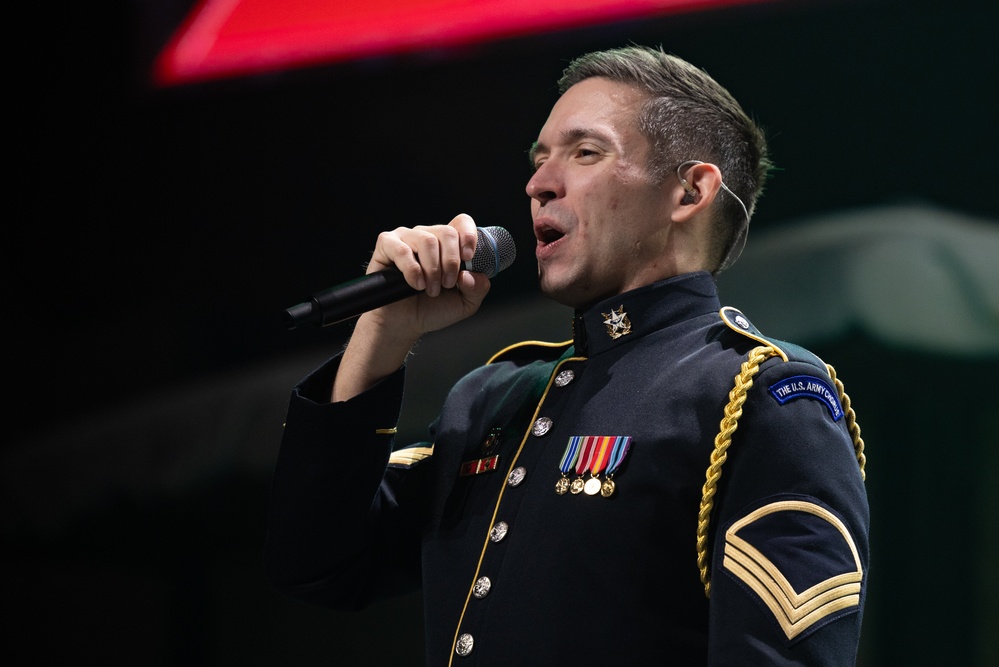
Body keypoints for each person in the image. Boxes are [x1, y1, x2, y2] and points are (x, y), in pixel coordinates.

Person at [264, 45, 870, 664]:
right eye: (539, 158)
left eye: (585, 152)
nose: (537, 184)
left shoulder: (756, 395)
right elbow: (316, 567)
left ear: (690, 190)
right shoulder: (493, 399)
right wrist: (382, 332)